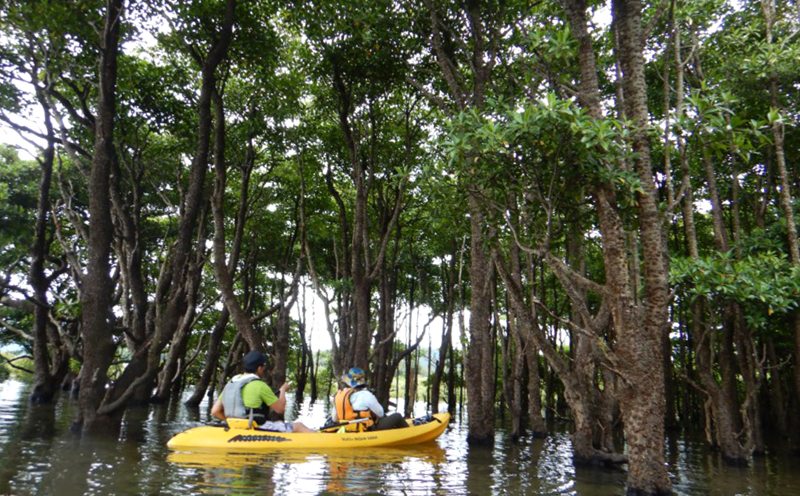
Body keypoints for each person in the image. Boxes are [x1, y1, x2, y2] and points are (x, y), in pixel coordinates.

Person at [211, 350, 314, 433]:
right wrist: (283, 390)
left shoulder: (232, 383)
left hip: (234, 426)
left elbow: (215, 411)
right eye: (263, 366)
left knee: (278, 422)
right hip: (255, 427)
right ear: (259, 368)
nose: (264, 368)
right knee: (298, 426)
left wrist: (234, 423)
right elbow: (280, 409)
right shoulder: (260, 385)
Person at [332, 367, 409, 431]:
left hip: (346, 428)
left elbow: (334, 418)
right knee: (397, 416)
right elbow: (380, 413)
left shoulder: (339, 396)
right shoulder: (366, 395)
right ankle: (408, 433)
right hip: (366, 429)